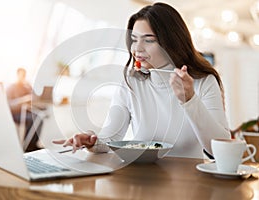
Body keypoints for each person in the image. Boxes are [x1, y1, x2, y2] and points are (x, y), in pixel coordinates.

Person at [53, 3, 231, 158]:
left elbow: (219, 149)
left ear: (172, 42)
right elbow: (111, 138)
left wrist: (190, 100)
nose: (137, 48)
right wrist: (91, 141)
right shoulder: (131, 82)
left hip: (188, 185)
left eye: (148, 40)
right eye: (134, 40)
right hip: (141, 181)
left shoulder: (204, 82)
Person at [6, 67, 43, 152]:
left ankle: (32, 144)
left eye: (24, 75)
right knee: (31, 119)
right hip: (15, 114)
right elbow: (9, 105)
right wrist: (23, 100)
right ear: (17, 75)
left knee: (39, 118)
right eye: (21, 75)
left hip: (27, 112)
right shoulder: (11, 88)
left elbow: (35, 98)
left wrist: (31, 91)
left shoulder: (26, 86)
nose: (23, 77)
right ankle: (27, 146)